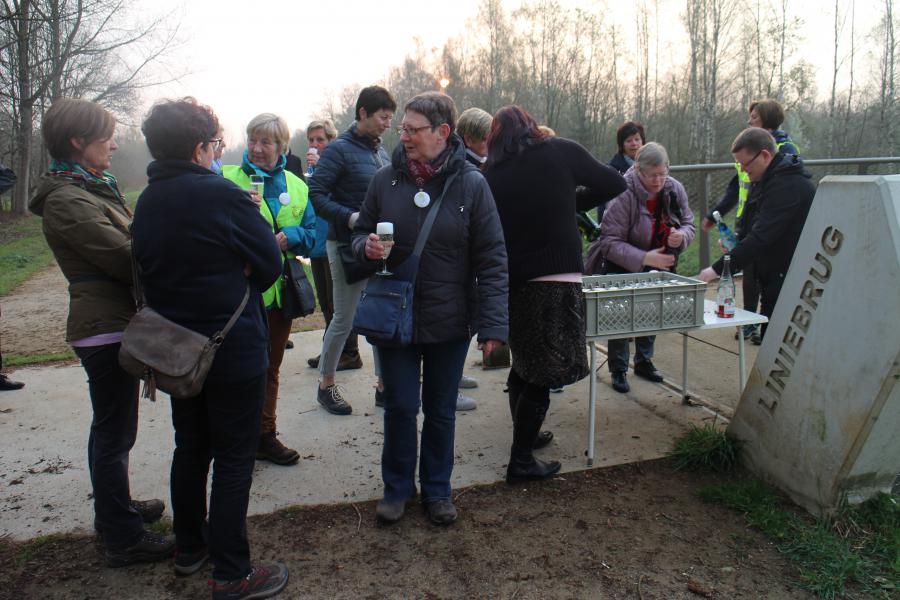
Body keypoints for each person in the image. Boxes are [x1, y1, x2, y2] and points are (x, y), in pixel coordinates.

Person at [134, 98, 289, 597]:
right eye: (216, 145)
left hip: (177, 350)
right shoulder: (220, 195)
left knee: (190, 447)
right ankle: (231, 572)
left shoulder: (148, 200)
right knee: (234, 457)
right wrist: (237, 265)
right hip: (231, 348)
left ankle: (189, 547)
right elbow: (268, 260)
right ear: (202, 148)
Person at [29, 98, 172, 567]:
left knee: (113, 429)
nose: (113, 143)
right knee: (114, 433)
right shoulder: (68, 199)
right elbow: (122, 255)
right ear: (77, 141)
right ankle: (121, 537)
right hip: (103, 327)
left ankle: (115, 511)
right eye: (105, 136)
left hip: (114, 322)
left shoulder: (89, 188)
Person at [354, 92, 508, 525]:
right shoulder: (385, 181)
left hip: (450, 317)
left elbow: (493, 257)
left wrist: (494, 325)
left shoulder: (472, 184)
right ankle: (397, 489)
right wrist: (362, 246)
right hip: (394, 317)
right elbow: (360, 231)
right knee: (401, 406)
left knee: (440, 410)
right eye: (402, 128)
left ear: (443, 133)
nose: (403, 136)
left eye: (412, 129)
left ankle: (438, 490)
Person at [483, 105, 626, 484]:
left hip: (512, 282)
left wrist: (564, 200)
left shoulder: (491, 172)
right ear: (532, 128)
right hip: (556, 279)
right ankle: (521, 460)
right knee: (544, 373)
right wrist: (568, 200)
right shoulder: (560, 150)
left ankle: (524, 437)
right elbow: (615, 183)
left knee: (524, 362)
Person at [222, 113, 316, 466]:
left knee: (270, 369)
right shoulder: (227, 179)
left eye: (266, 142)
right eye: (252, 140)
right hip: (240, 297)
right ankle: (236, 443)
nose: (257, 148)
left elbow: (312, 236)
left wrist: (290, 236)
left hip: (280, 295)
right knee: (236, 372)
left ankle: (265, 435)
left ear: (282, 147)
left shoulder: (297, 184)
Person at [309, 86, 396, 415]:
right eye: (382, 117)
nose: (387, 123)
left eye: (391, 117)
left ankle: (384, 385)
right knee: (345, 318)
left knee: (379, 313)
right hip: (345, 245)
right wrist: (349, 217)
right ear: (363, 113)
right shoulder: (339, 150)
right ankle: (325, 385)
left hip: (379, 243)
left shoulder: (381, 152)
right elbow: (316, 194)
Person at [591, 142, 695, 394]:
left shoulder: (674, 189)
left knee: (652, 310)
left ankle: (644, 360)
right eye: (652, 175)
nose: (659, 181)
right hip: (624, 262)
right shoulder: (623, 192)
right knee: (621, 316)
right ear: (638, 170)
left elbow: (688, 223)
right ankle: (618, 368)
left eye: (663, 174)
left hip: (659, 261)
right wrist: (645, 258)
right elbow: (609, 242)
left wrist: (681, 236)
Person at [699, 128, 815, 342]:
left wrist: (716, 269)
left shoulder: (787, 186)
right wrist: (737, 240)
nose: (743, 170)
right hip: (772, 270)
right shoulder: (765, 179)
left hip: (789, 271)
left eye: (746, 164)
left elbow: (762, 236)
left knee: (776, 337)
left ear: (764, 155)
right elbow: (753, 224)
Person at [303, 119, 363, 371]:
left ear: (331, 141)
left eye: (320, 140)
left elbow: (332, 199)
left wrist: (319, 171)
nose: (315, 145)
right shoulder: (314, 171)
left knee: (340, 304)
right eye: (312, 140)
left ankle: (350, 352)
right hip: (316, 242)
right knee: (325, 301)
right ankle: (332, 350)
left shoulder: (338, 164)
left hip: (333, 239)